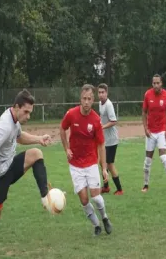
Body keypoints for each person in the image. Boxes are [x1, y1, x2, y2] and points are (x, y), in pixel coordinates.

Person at [0, 89, 52, 259]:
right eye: (26, 112)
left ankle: (46, 197)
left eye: (30, 112)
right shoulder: (5, 125)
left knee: (36, 154)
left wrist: (39, 138)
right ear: (16, 107)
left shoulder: (14, 119)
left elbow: (19, 136)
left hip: (9, 166)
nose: (28, 116)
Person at [60, 84, 113, 236]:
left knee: (96, 197)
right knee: (84, 199)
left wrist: (103, 168)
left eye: (89, 99)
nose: (86, 102)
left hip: (91, 163)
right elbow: (62, 129)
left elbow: (102, 145)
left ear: (93, 100)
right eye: (84, 98)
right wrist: (66, 149)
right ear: (80, 99)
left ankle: (104, 218)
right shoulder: (71, 114)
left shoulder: (96, 120)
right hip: (75, 165)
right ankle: (96, 225)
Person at [141, 74, 166, 193]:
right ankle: (145, 185)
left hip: (161, 131)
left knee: (163, 156)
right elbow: (144, 113)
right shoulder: (148, 94)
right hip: (150, 132)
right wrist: (145, 128)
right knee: (148, 160)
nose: (156, 85)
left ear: (161, 83)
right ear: (152, 84)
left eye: (158, 83)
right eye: (154, 83)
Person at [98, 83, 123, 195]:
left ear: (107, 93)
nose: (101, 94)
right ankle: (106, 187)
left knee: (109, 164)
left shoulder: (108, 104)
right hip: (105, 139)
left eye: (103, 92)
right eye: (99, 92)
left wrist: (102, 126)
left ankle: (120, 189)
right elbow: (102, 118)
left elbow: (114, 121)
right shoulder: (100, 103)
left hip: (112, 140)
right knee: (102, 162)